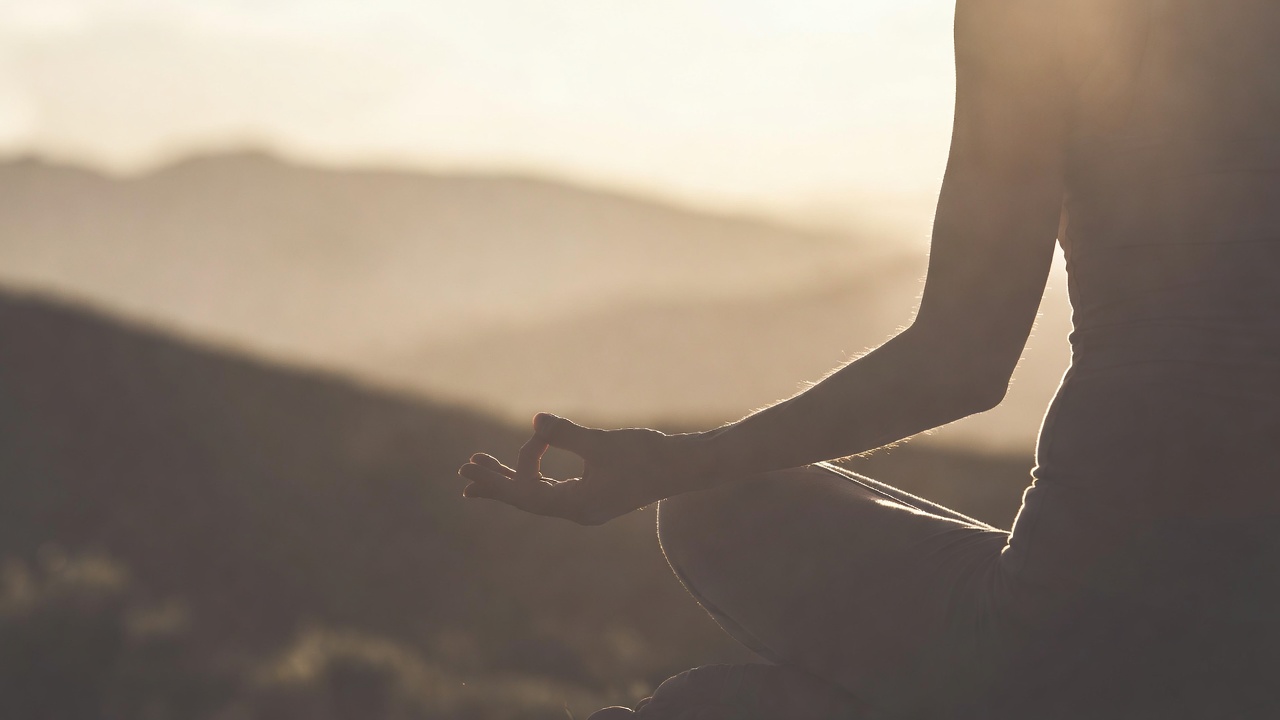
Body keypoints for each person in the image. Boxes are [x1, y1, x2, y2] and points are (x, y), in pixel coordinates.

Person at [460, 1, 1280, 717]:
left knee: (713, 508)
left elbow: (961, 359)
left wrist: (671, 465)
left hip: (1073, 610)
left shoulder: (1040, 14)